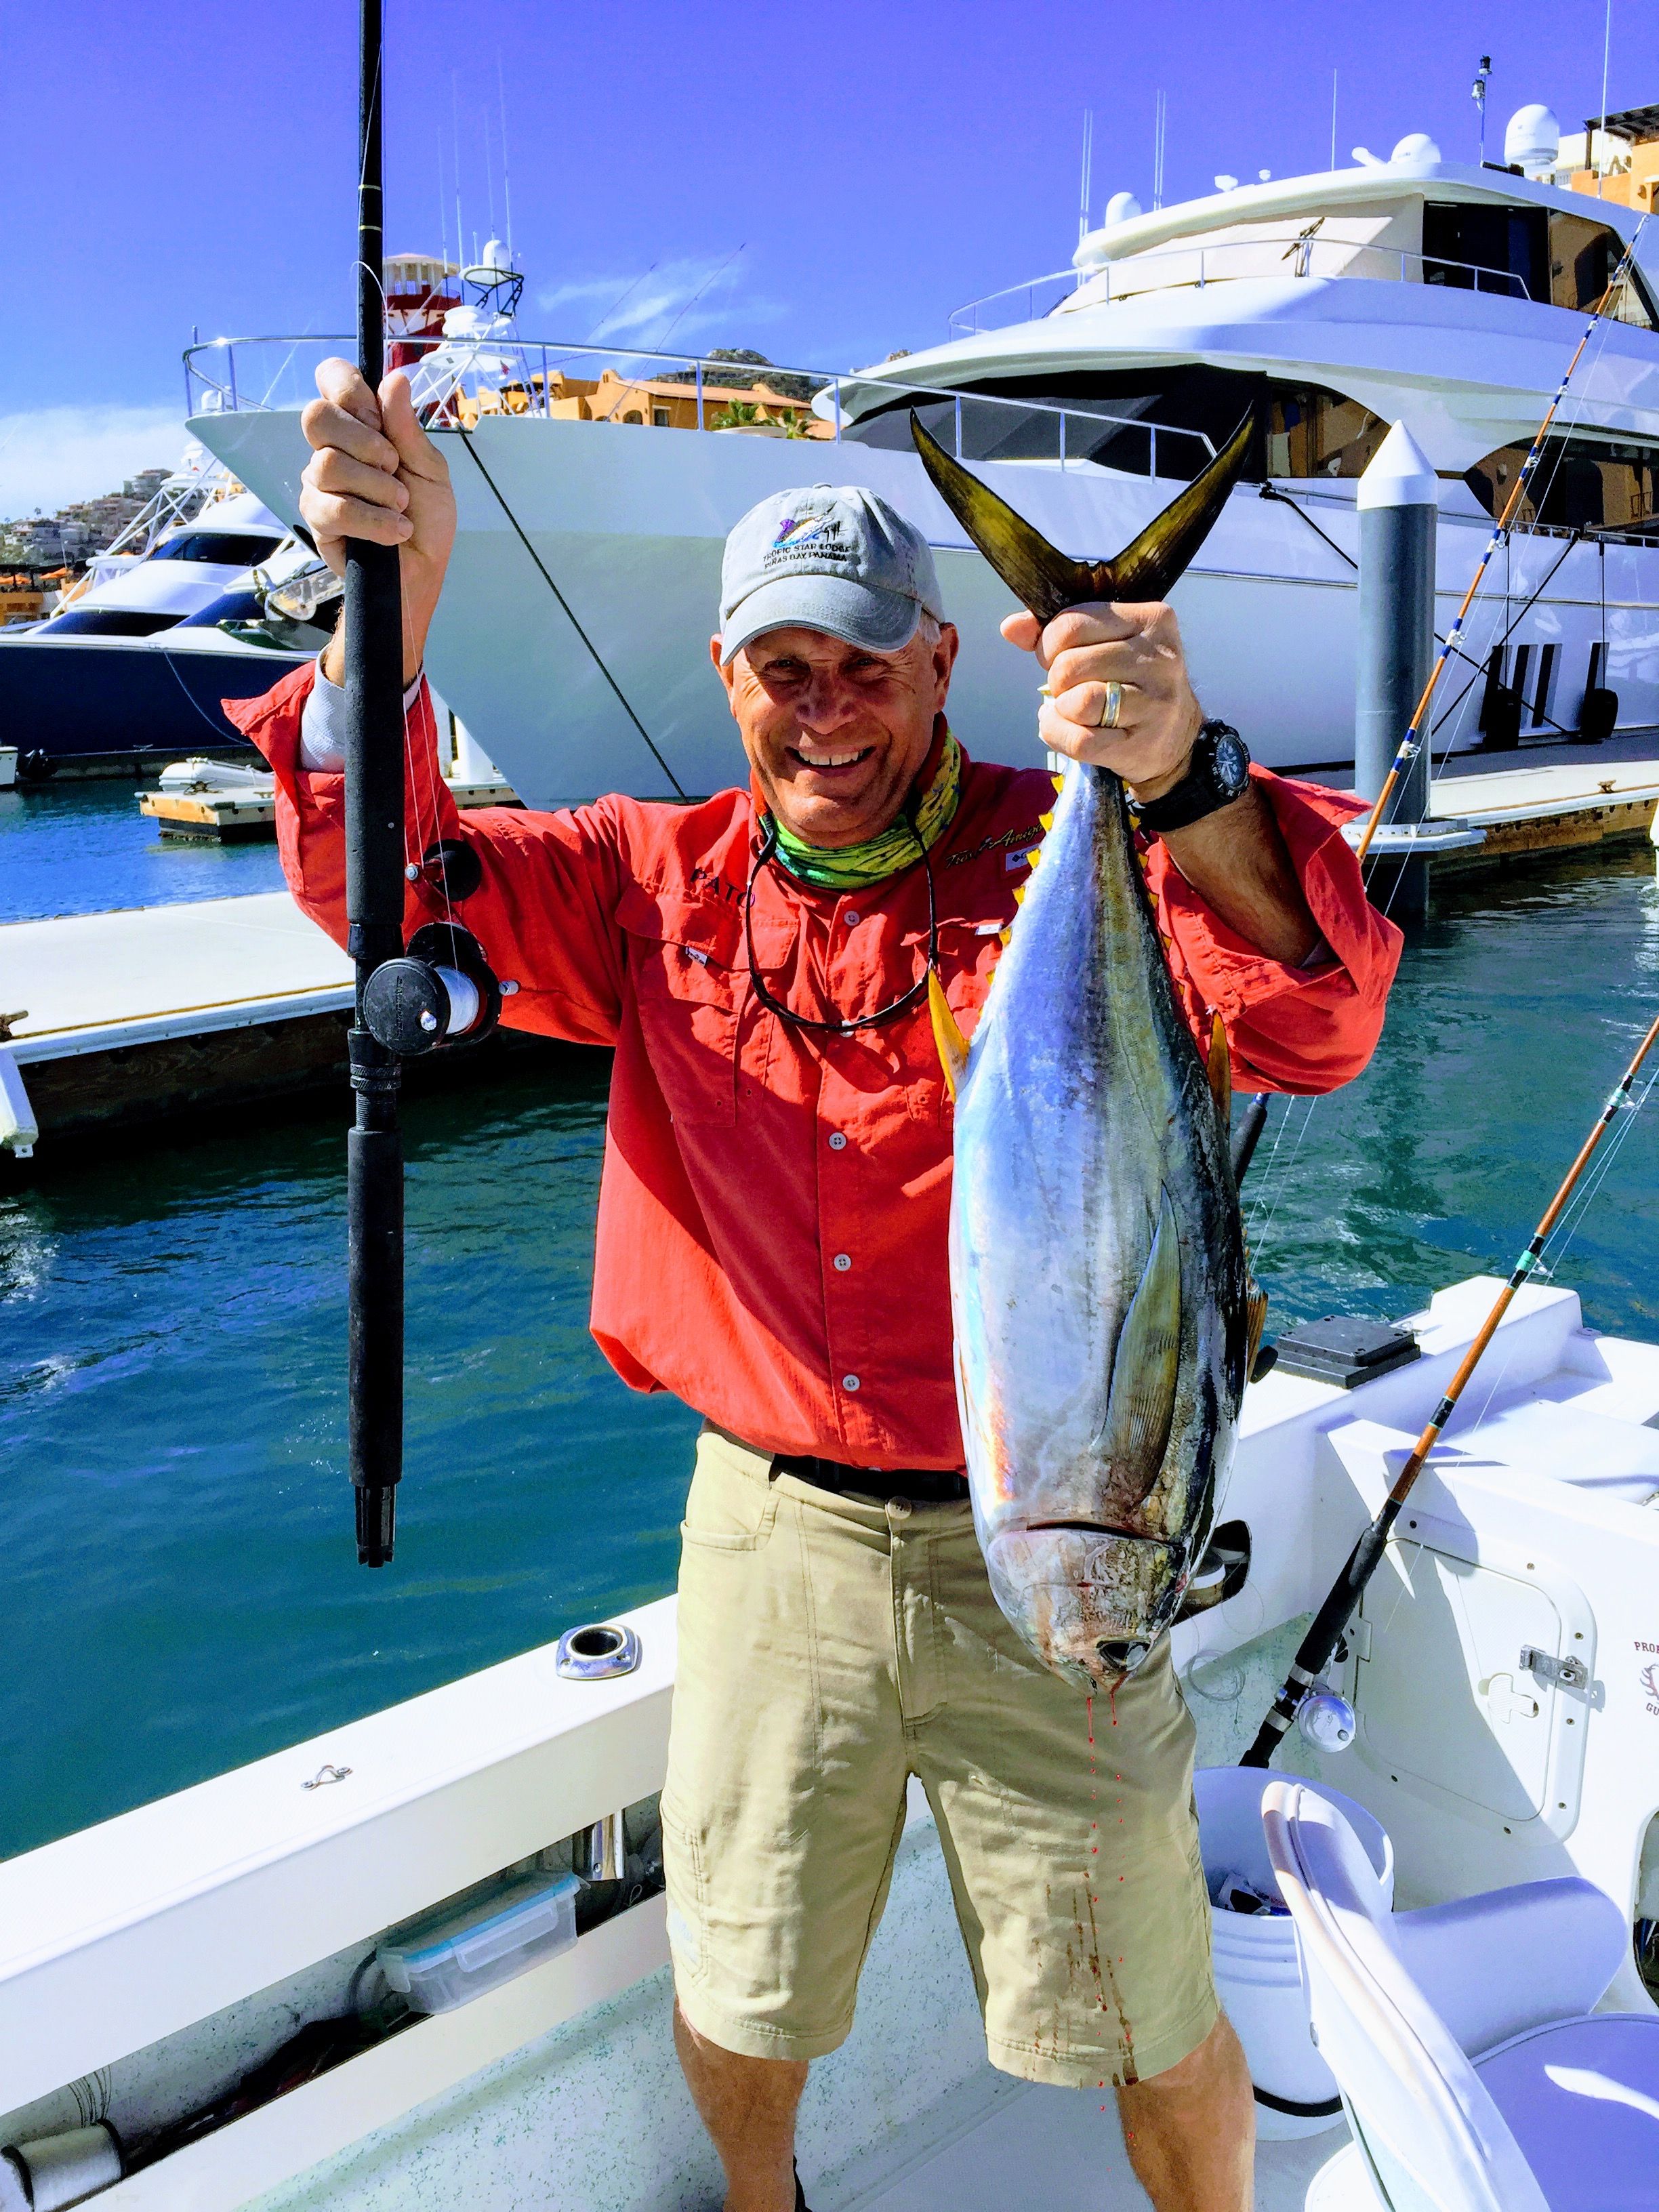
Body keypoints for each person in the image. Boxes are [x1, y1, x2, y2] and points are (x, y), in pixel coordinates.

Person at [230, 361, 1402, 2212]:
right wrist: (388, 623)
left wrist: (1184, 775)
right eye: (786, 667)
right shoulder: (646, 888)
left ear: (942, 664)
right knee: (743, 1980)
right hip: (774, 1540)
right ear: (729, 679)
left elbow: (1322, 1023)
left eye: (867, 663)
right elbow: (384, 886)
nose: (827, 707)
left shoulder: (1077, 841)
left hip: (1075, 1554)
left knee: (1150, 1999)